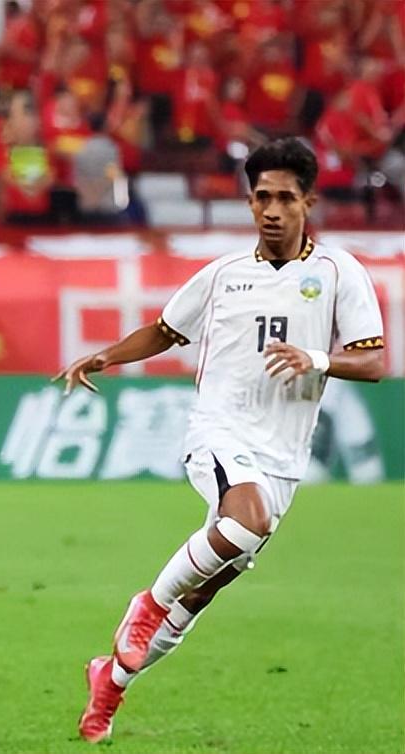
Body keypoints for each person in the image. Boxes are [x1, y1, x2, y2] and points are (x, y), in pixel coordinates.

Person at [58, 138, 385, 743]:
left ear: (309, 203)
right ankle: (146, 605)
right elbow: (164, 331)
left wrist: (314, 358)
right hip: (220, 431)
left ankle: (112, 681)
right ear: (250, 201)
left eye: (285, 198)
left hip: (283, 457)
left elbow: (373, 361)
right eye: (262, 197)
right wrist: (105, 356)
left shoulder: (340, 273)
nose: (272, 210)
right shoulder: (224, 275)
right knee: (244, 523)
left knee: (202, 592)